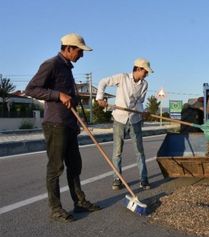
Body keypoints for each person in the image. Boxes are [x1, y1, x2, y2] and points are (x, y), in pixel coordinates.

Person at [25, 33, 101, 223]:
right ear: (68, 48)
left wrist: (77, 120)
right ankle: (56, 208)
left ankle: (80, 201)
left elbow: (71, 99)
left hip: (69, 123)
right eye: (79, 51)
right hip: (55, 124)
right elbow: (31, 89)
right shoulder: (51, 64)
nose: (81, 55)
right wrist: (57, 95)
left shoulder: (68, 68)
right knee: (55, 167)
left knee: (75, 165)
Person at [96, 58, 153, 191]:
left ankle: (144, 180)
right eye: (145, 71)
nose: (146, 74)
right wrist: (100, 97)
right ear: (138, 69)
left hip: (135, 120)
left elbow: (139, 102)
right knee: (117, 152)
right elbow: (103, 82)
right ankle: (117, 179)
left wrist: (143, 112)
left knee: (139, 152)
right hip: (119, 119)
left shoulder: (145, 84)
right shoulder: (122, 78)